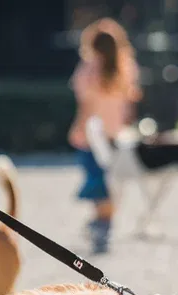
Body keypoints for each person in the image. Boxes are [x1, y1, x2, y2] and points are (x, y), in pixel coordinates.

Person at [68, 18, 141, 253]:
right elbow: (130, 105)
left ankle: (100, 225)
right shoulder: (126, 67)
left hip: (93, 135)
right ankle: (104, 224)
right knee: (108, 181)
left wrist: (77, 128)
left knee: (96, 181)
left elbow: (86, 106)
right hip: (115, 136)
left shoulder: (89, 69)